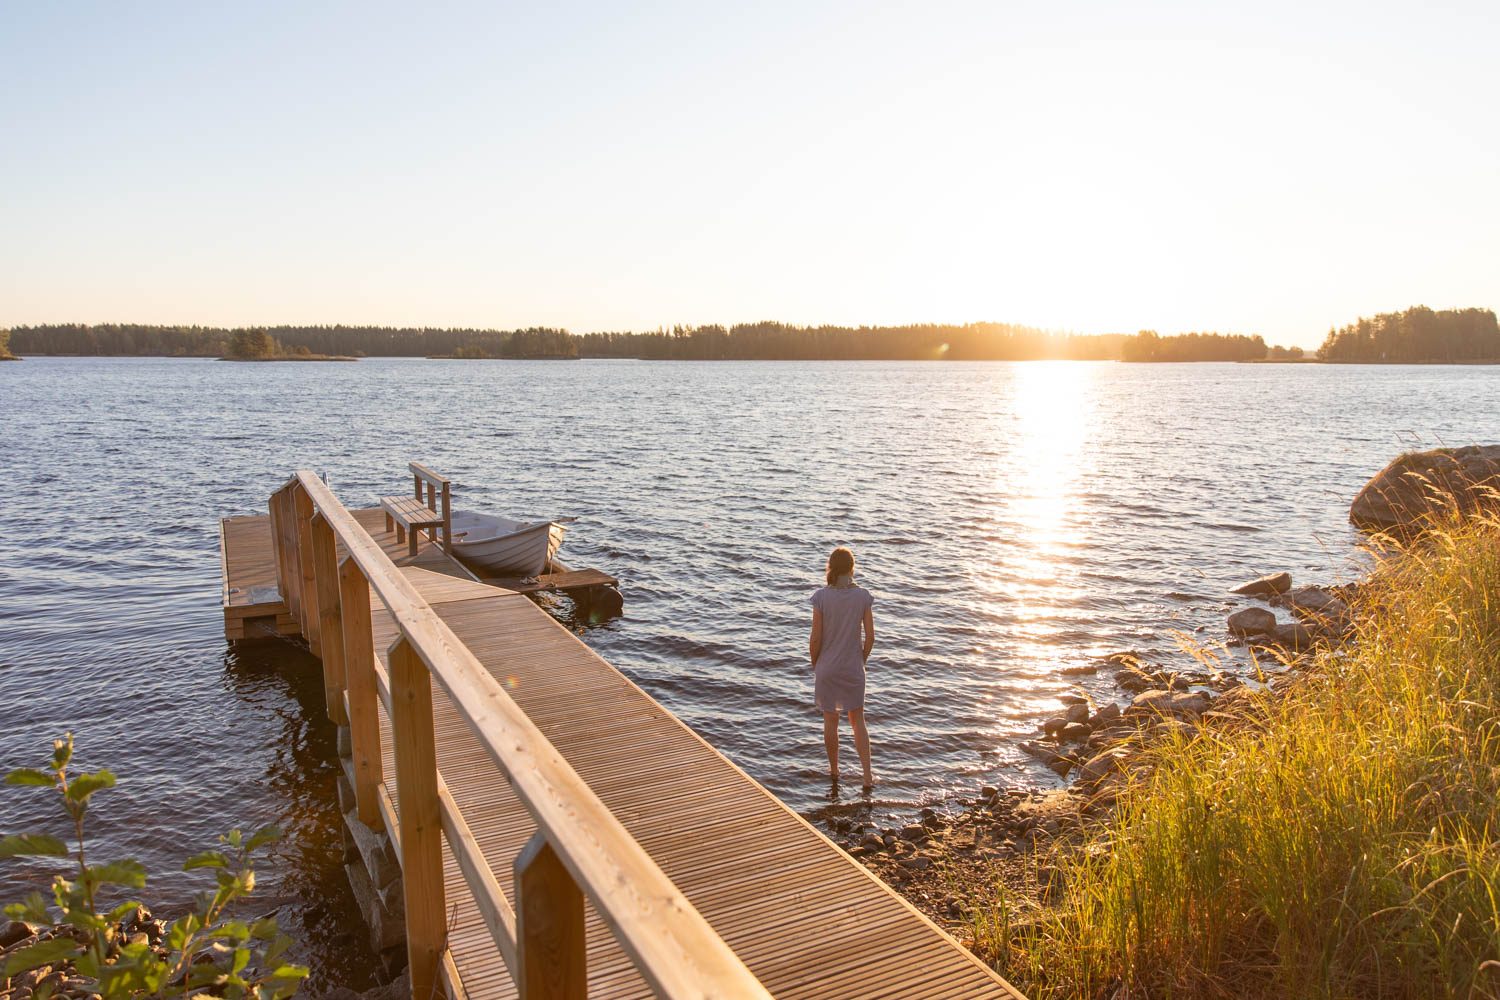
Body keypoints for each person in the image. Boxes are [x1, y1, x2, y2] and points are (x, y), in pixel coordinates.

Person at [809, 546, 875, 789]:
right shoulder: (863, 596)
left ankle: (834, 772)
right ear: (851, 568)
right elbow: (870, 638)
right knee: (858, 720)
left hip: (827, 668)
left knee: (830, 720)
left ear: (831, 568)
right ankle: (867, 776)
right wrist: (862, 659)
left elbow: (815, 638)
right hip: (852, 667)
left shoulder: (821, 597)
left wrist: (816, 663)